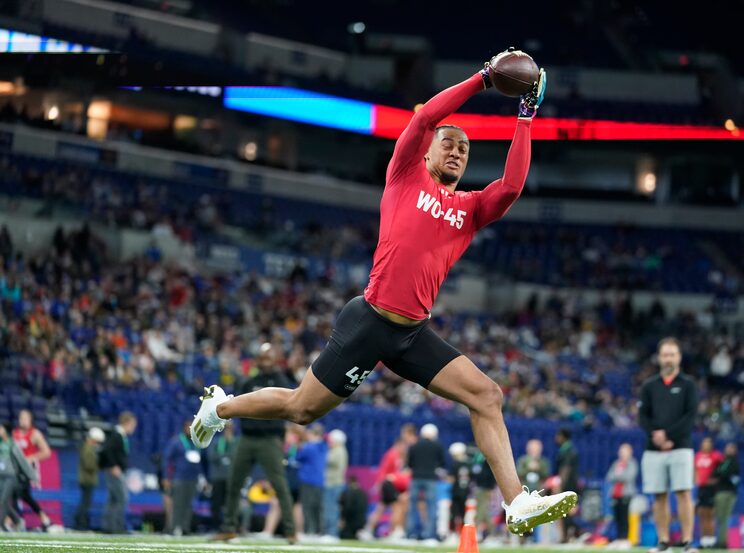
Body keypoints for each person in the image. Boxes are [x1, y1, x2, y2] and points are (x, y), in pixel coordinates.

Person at [191, 49, 578, 536]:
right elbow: (431, 115)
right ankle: (219, 407)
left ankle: (516, 501)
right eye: (449, 144)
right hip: (369, 322)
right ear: (429, 150)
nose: (457, 151)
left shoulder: (472, 208)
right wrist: (482, 79)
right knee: (301, 409)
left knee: (487, 395)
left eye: (465, 149)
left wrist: (525, 117)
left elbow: (513, 185)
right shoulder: (405, 174)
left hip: (412, 335)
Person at [213, 343, 296, 541]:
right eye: (262, 358)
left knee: (280, 485)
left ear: (274, 360)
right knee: (234, 482)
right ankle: (229, 527)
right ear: (258, 360)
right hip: (248, 437)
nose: (265, 362)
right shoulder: (250, 382)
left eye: (268, 358)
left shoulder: (281, 381)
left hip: (270, 439)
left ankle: (291, 530)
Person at [639, 337, 699, 553]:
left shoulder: (688, 385)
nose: (668, 358)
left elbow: (690, 416)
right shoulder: (649, 385)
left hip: (681, 446)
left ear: (679, 357)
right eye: (665, 354)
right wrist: (656, 435)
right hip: (654, 449)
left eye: (672, 354)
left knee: (684, 493)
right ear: (659, 357)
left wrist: (668, 435)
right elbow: (642, 416)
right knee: (659, 495)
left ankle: (687, 541)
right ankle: (663, 541)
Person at [359, 424, 416, 540]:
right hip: (390, 484)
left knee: (382, 507)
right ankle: (395, 531)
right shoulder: (392, 454)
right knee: (397, 507)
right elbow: (383, 470)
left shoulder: (403, 455)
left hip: (395, 485)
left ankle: (370, 529)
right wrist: (380, 483)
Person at [163, 419, 209, 535]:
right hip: (179, 477)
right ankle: (173, 527)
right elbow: (167, 460)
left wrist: (204, 479)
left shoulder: (198, 442)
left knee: (189, 504)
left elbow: (203, 462)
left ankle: (185, 528)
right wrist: (166, 477)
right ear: (184, 428)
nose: (190, 430)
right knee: (177, 503)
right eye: (188, 427)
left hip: (193, 478)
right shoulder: (177, 442)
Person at [11, 409, 52, 530]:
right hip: (15, 469)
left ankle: (14, 520)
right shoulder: (14, 433)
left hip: (27, 469)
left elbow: (46, 452)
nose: (22, 421)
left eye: (25, 418)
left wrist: (31, 458)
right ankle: (42, 518)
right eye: (21, 418)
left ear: (30, 420)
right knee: (19, 494)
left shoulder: (35, 434)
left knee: (20, 492)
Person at [98, 411, 137, 534]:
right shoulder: (116, 434)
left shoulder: (119, 435)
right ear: (127, 423)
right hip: (115, 471)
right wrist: (113, 465)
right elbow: (106, 450)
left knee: (113, 499)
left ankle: (108, 526)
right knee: (122, 498)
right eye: (133, 425)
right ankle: (117, 527)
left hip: (115, 470)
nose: (134, 428)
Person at [406, 423, 446, 541]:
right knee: (431, 506)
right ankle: (429, 535)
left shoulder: (414, 446)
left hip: (416, 478)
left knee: (412, 506)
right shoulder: (437, 446)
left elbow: (409, 463)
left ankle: (411, 534)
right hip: (430, 479)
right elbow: (442, 463)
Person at [296, 424, 327, 536]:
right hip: (320, 481)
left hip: (308, 480)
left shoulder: (309, 447)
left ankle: (309, 530)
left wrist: (299, 445)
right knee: (318, 507)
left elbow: (297, 457)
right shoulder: (324, 446)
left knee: (307, 507)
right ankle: (320, 531)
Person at [606, 442, 638, 547]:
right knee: (617, 518)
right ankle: (618, 538)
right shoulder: (616, 464)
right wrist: (618, 476)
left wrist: (618, 476)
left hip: (626, 494)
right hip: (615, 494)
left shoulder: (632, 463)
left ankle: (625, 538)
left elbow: (628, 477)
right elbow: (609, 476)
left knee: (625, 518)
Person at [207, 421, 237, 530]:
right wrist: (226, 457)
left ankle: (230, 525)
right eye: (227, 429)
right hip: (217, 476)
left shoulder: (236, 442)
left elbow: (237, 457)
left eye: (230, 429)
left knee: (230, 503)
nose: (228, 431)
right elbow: (211, 456)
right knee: (216, 503)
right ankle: (216, 525)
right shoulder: (216, 442)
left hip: (231, 477)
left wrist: (224, 457)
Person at [694, 437, 723, 548]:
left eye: (708, 443)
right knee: (702, 513)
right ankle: (704, 539)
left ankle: (711, 539)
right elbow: (695, 469)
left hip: (711, 489)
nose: (705, 445)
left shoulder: (716, 456)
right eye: (704, 442)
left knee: (710, 514)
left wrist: (716, 479)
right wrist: (695, 479)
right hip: (701, 488)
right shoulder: (697, 456)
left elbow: (722, 468)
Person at [75, 427, 105, 531]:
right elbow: (89, 464)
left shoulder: (88, 447)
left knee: (85, 502)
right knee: (85, 503)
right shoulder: (88, 448)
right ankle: (80, 524)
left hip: (87, 479)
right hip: (87, 479)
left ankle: (81, 523)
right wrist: (99, 465)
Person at [713, 443, 739, 549]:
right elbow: (716, 473)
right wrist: (722, 474)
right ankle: (719, 540)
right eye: (727, 448)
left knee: (724, 518)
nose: (728, 450)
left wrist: (722, 474)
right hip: (720, 491)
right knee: (719, 518)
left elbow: (731, 475)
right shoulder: (723, 461)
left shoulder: (735, 462)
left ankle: (722, 542)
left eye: (731, 448)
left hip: (729, 493)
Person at [555, 428, 580, 541]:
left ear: (563, 437)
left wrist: (560, 486)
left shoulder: (567, 451)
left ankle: (574, 532)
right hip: (571, 484)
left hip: (567, 486)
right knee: (566, 512)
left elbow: (565, 470)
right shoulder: (569, 450)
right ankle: (568, 534)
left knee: (566, 512)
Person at [323, 429, 348, 539]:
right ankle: (329, 532)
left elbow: (328, 460)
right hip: (333, 483)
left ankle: (332, 533)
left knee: (331, 508)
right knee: (330, 508)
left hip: (333, 483)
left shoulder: (339, 451)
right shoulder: (338, 450)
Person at [448, 442, 471, 535]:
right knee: (463, 513)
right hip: (465, 491)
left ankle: (453, 532)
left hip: (456, 491)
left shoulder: (455, 464)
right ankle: (462, 532)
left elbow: (451, 479)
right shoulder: (469, 464)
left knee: (454, 513)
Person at [340, 476, 368, 540]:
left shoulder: (348, 493)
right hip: (362, 523)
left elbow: (347, 508)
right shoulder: (363, 493)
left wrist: (343, 519)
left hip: (351, 524)